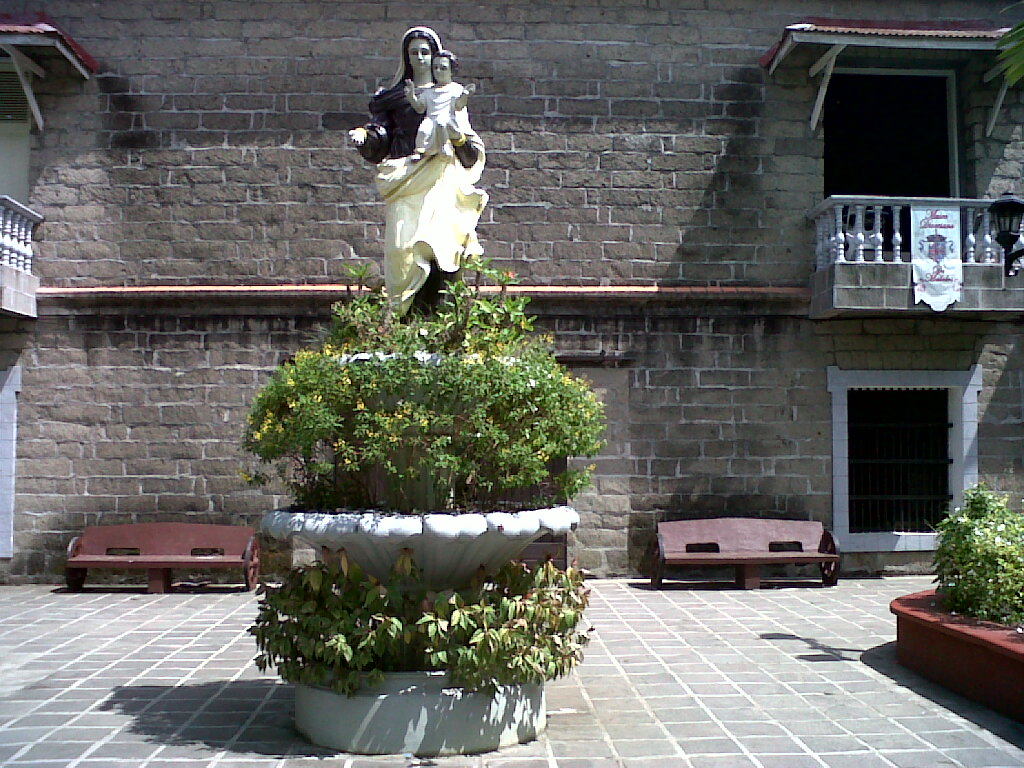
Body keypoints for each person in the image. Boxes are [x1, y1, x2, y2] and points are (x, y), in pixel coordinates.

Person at [348, 27, 487, 315]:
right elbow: (381, 134)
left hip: (441, 176)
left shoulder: (450, 95)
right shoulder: (395, 97)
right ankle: (403, 317)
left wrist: (458, 138)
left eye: (426, 52)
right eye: (414, 53)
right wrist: (366, 136)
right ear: (407, 57)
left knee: (441, 247)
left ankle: (437, 320)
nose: (421, 58)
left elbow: (468, 147)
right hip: (405, 177)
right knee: (402, 249)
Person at [406, 50, 476, 160]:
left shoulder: (456, 89)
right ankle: (420, 151)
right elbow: (420, 108)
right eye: (435, 68)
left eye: (443, 68)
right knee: (423, 130)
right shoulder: (429, 91)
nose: (438, 71)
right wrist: (411, 96)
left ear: (451, 71)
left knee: (441, 124)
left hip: (448, 120)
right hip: (431, 119)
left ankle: (445, 147)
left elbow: (459, 106)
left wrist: (465, 94)